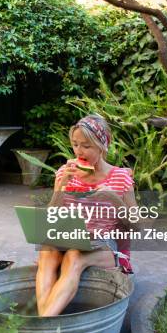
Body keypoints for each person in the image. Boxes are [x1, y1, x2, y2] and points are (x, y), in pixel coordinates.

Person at [36, 114, 136, 317]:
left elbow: (136, 225)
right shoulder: (66, 172)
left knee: (74, 256)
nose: (79, 152)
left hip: (104, 245)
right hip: (70, 237)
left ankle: (41, 323)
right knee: (47, 251)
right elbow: (51, 218)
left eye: (87, 146)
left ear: (103, 145)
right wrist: (59, 190)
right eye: (75, 145)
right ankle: (43, 320)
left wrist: (113, 198)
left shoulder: (120, 178)